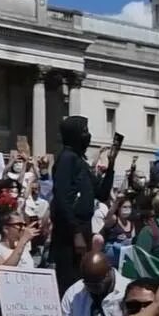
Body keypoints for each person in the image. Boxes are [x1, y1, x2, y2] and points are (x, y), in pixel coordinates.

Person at [51, 116, 115, 295]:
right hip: (70, 233)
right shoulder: (66, 159)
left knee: (82, 280)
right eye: (84, 131)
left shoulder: (81, 162)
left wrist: (111, 165)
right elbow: (62, 199)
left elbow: (101, 193)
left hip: (84, 229)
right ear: (74, 134)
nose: (88, 135)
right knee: (70, 283)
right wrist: (76, 232)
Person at [0, 204, 38, 269]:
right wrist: (22, 241)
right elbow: (5, 272)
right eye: (19, 225)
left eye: (24, 225)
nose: (23, 228)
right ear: (6, 229)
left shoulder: (23, 249)